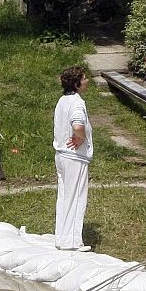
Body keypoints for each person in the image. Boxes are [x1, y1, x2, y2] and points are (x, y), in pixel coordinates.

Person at [52, 66, 93, 251]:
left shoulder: (62, 100)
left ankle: (61, 237)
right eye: (84, 78)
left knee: (64, 197)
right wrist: (80, 137)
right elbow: (77, 125)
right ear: (77, 84)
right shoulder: (77, 102)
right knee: (76, 198)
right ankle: (72, 241)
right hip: (74, 157)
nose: (87, 81)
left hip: (61, 155)